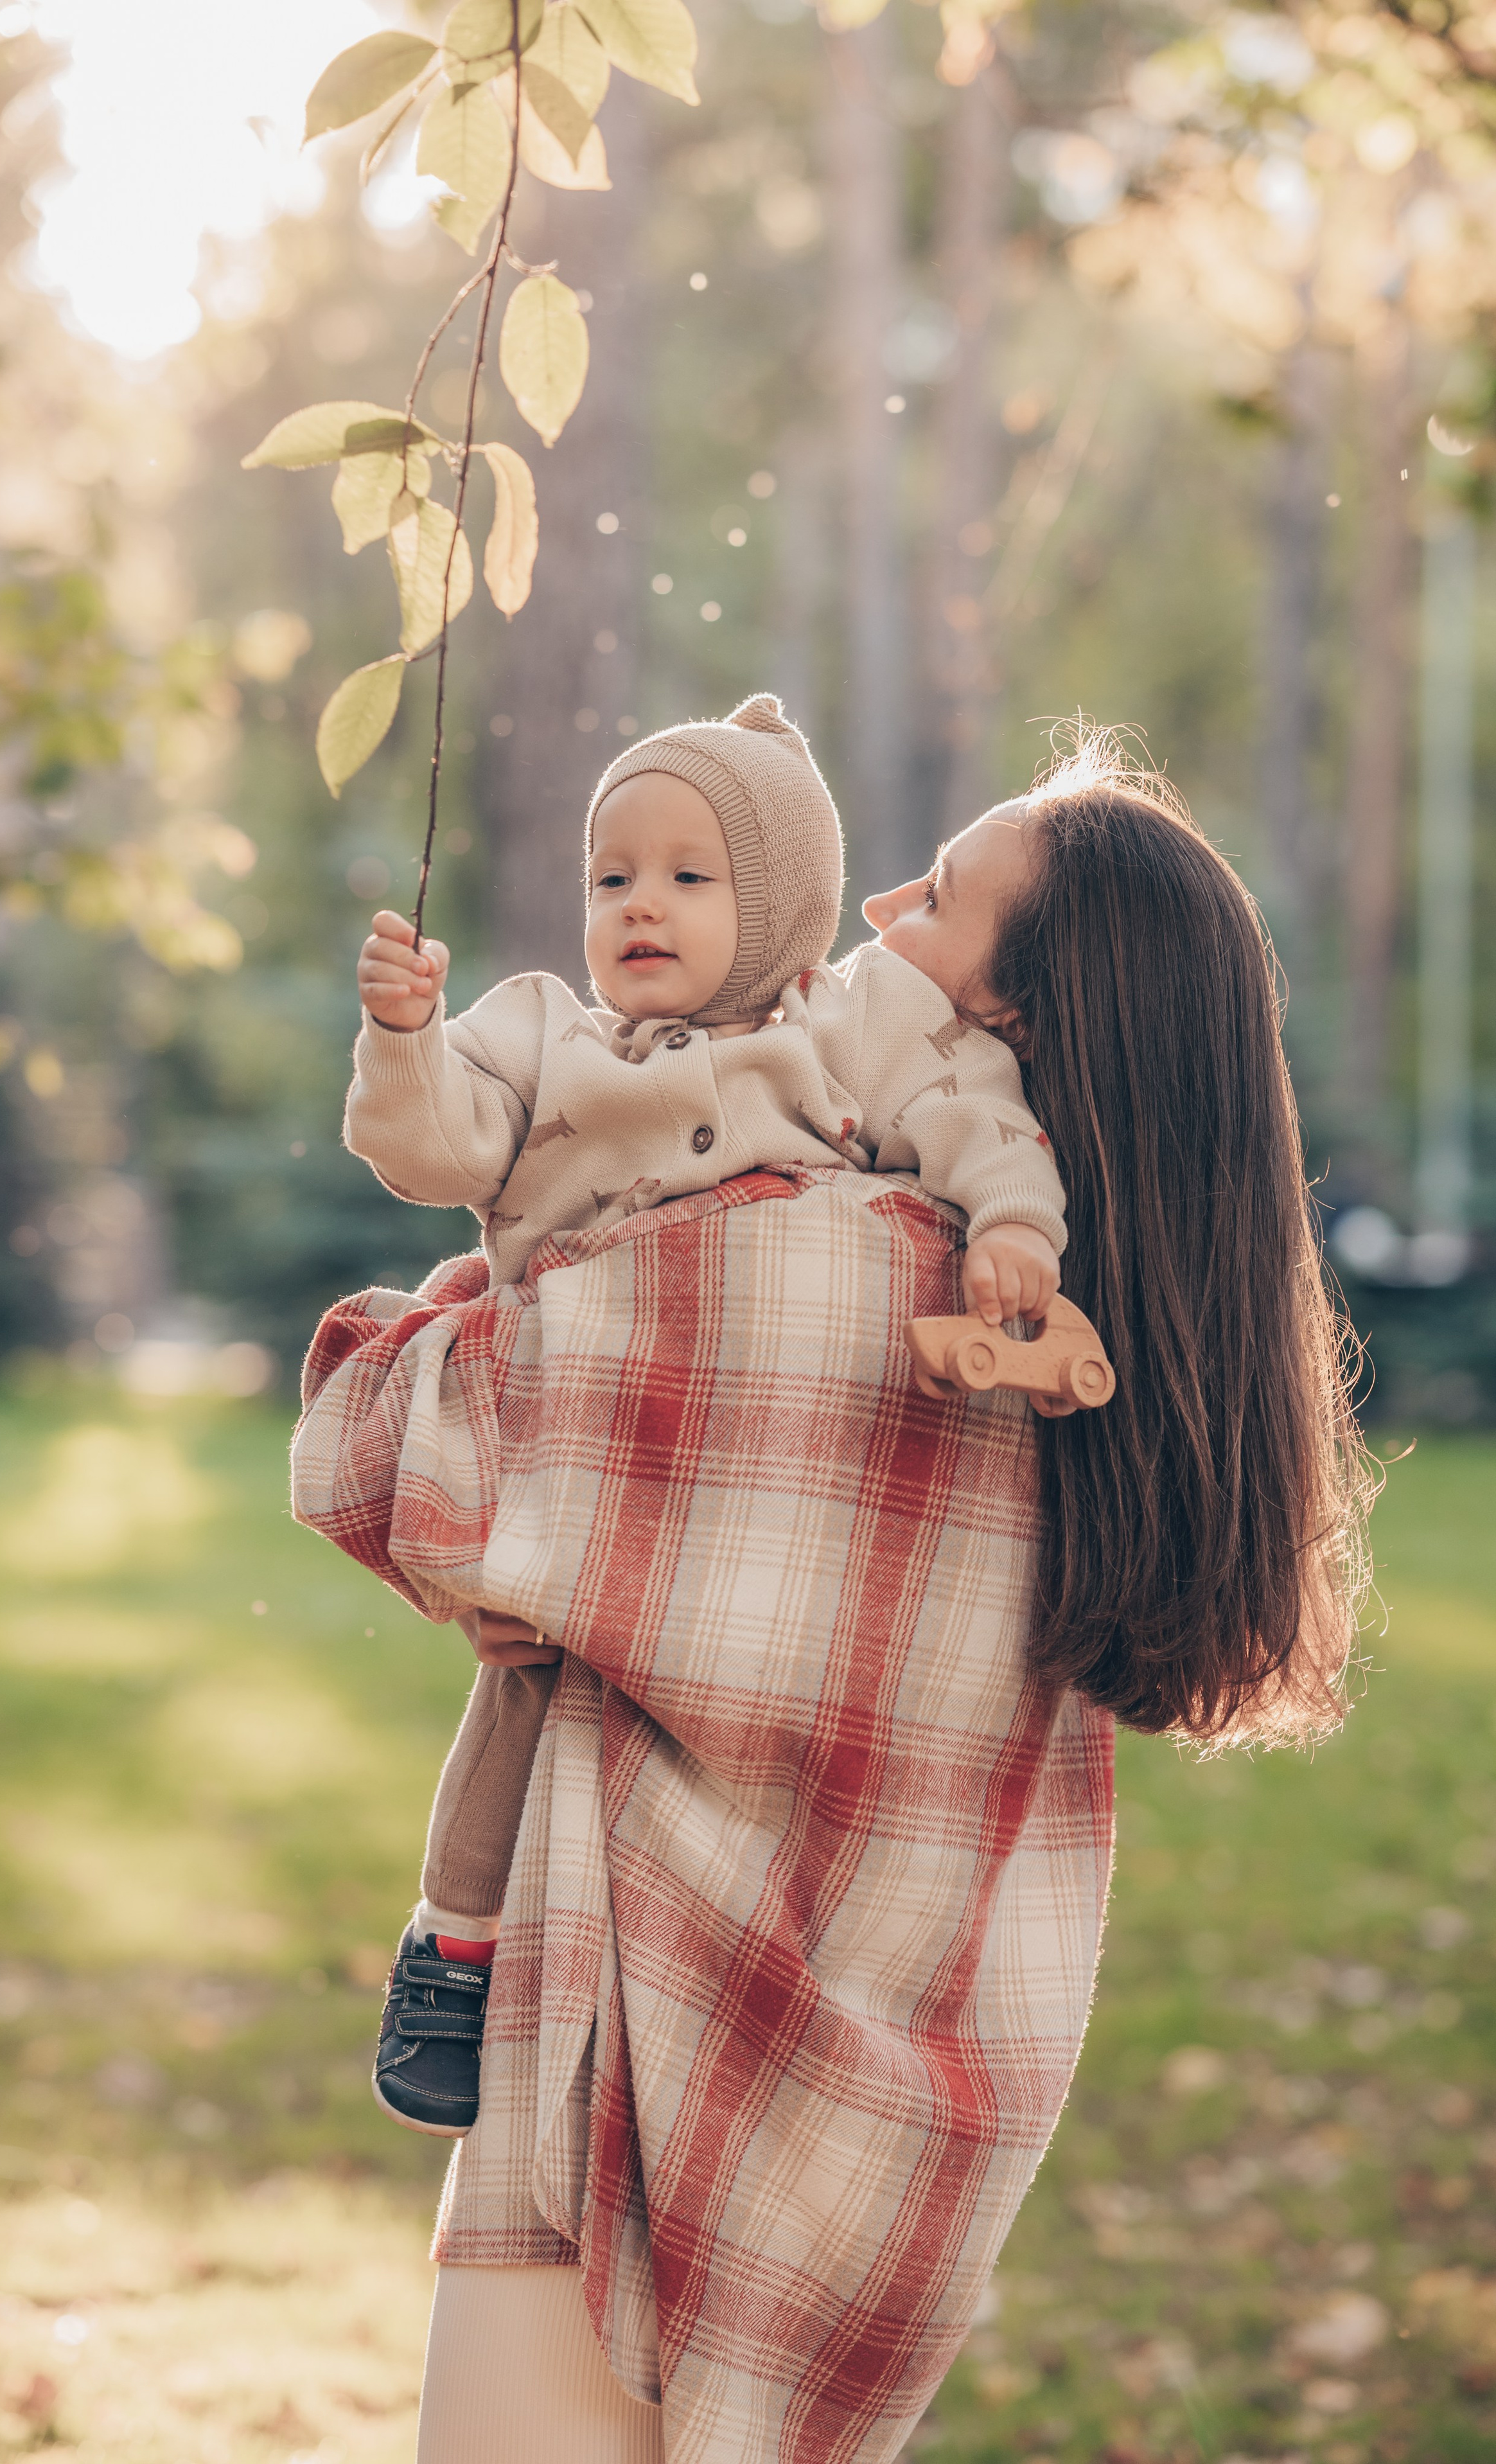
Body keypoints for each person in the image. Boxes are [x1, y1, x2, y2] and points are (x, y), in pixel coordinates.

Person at [293, 729, 1367, 2462]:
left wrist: (444, 1356)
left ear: (1007, 1026)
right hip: (896, 2110)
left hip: (635, 2066)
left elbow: (390, 1448)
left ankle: (450, 1927)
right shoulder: (1062, 1366)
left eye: (935, 900)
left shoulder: (831, 1277)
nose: (872, 911)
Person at [340, 693, 1068, 2136]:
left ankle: (774, 1985)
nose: (640, 907)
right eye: (612, 876)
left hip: (746, 1465)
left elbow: (974, 1110)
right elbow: (431, 1149)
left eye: (690, 875)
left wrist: (1014, 1231)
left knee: (733, 1718)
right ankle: (453, 1942)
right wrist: (403, 1034)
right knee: (527, 1676)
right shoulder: (541, 1034)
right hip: (586, 1427)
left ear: (786, 907)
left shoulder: (846, 1026)